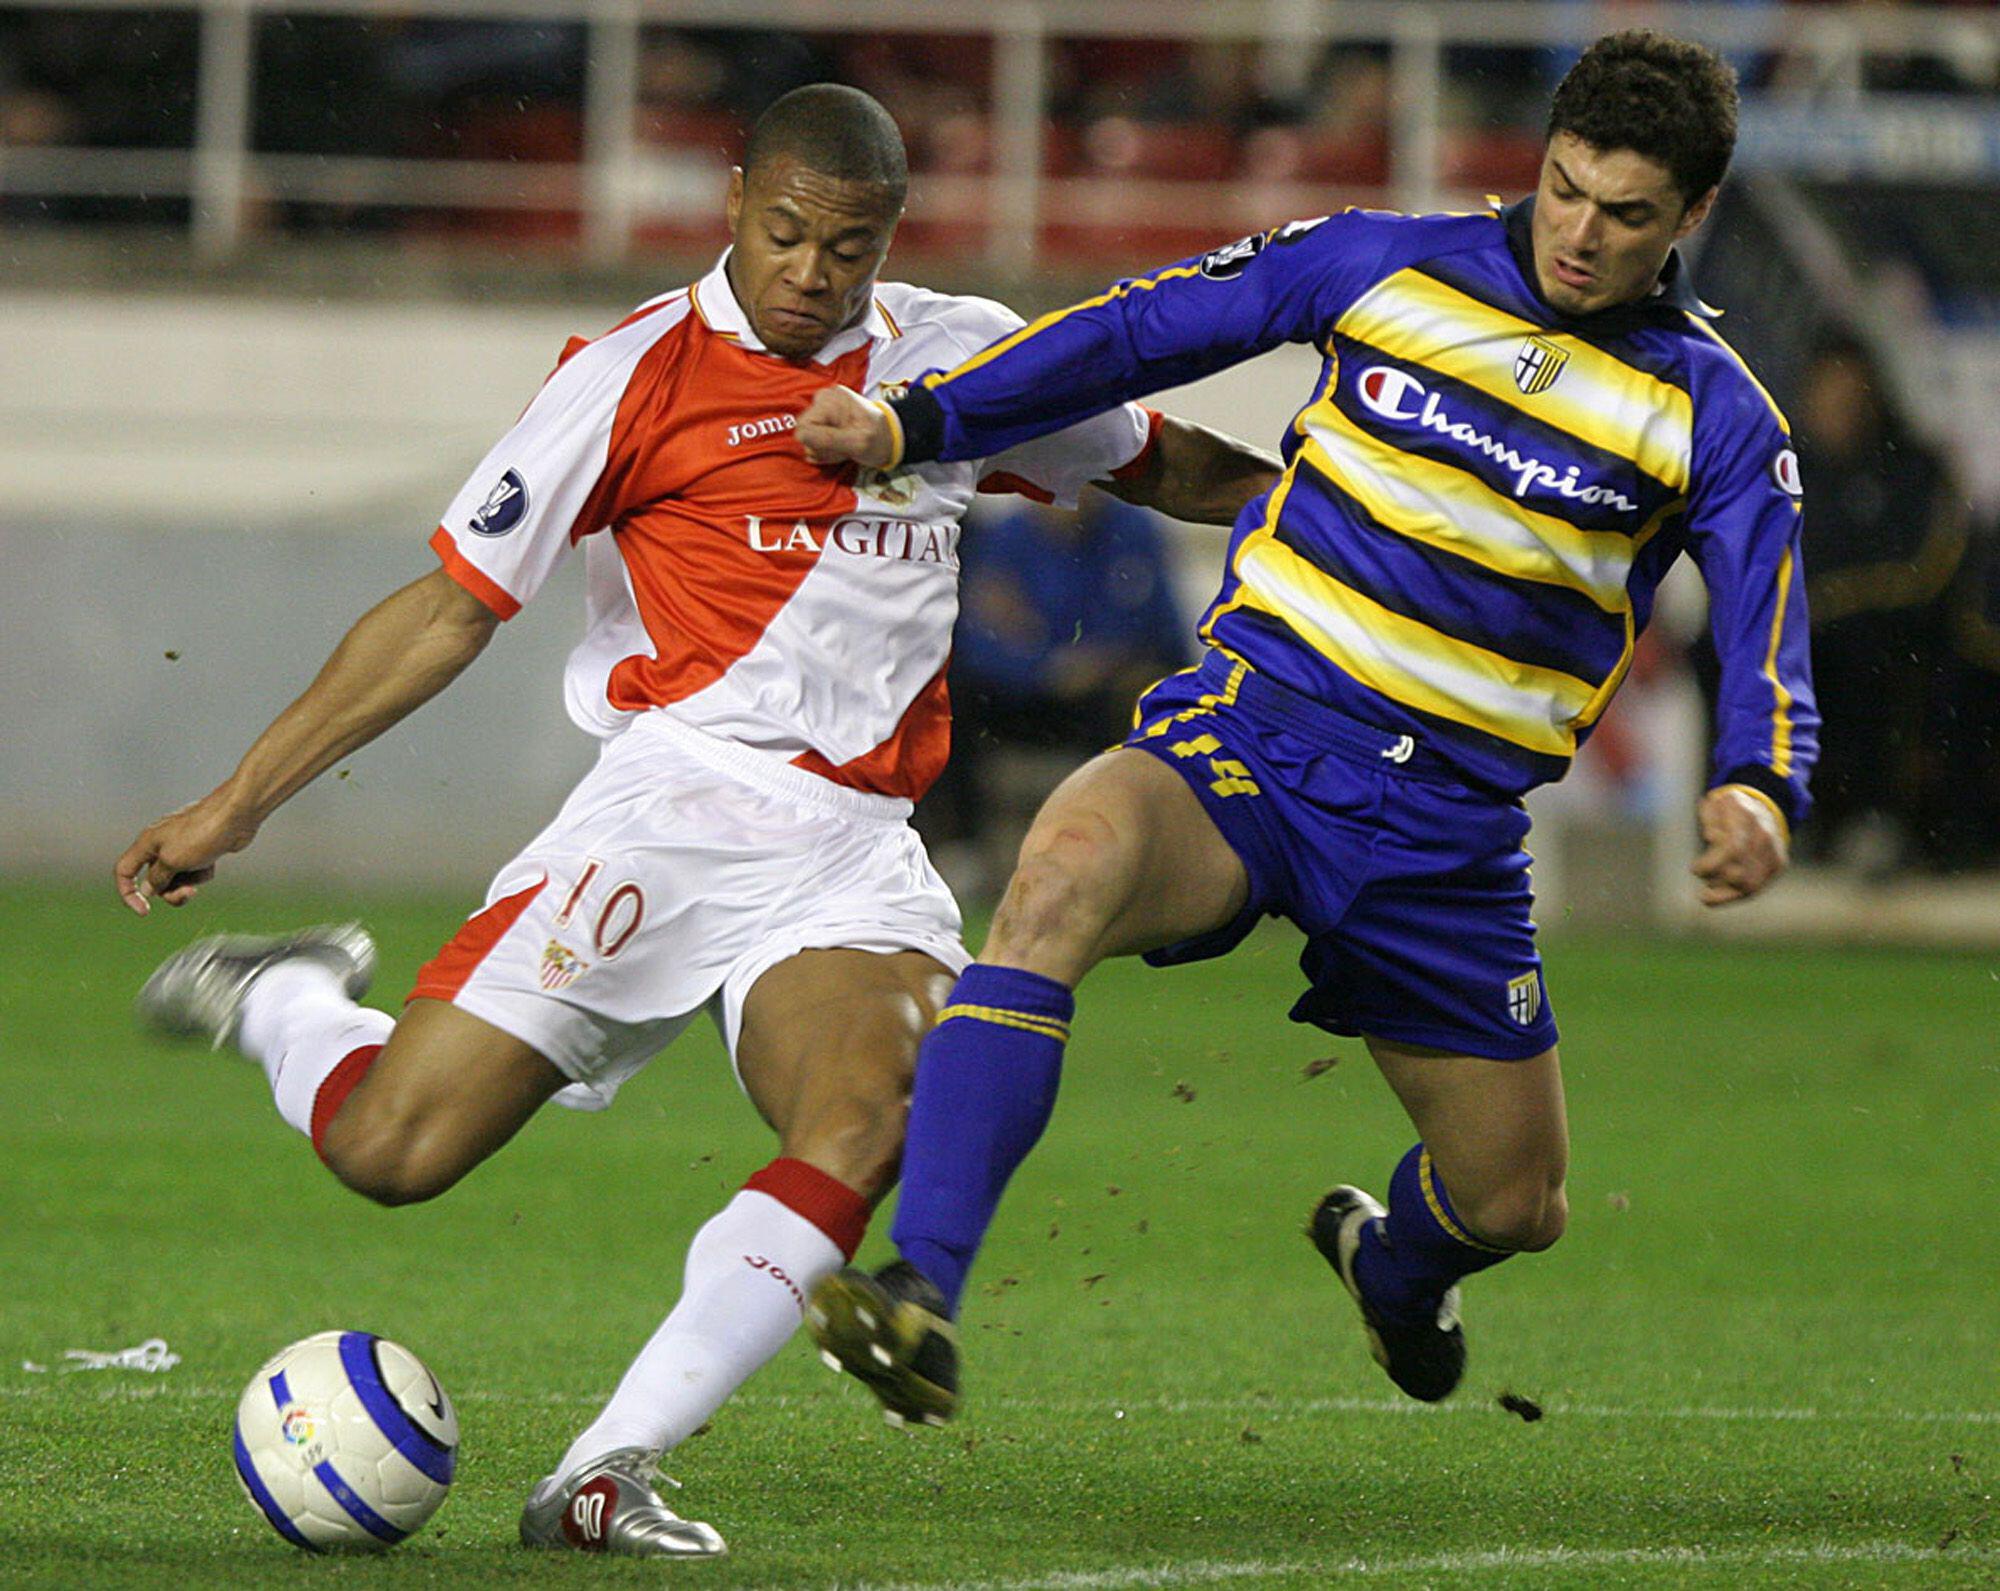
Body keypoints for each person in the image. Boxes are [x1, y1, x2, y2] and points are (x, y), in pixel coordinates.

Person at [114, 84, 1278, 1556]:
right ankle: (287, 996)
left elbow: (1152, 459)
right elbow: (446, 610)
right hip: (669, 814)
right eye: (787, 233)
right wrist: (237, 802)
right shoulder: (630, 375)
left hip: (853, 850)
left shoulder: (958, 355)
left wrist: (1317, 511)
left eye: (847, 248)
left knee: (869, 1114)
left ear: (888, 239)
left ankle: (605, 1476)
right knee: (392, 1151)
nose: (812, 271)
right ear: (733, 200)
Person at [795, 29, 1818, 1426]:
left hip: (1445, 838)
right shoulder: (1379, 259)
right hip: (1260, 734)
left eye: (1628, 213)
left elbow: (1769, 616)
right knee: (1063, 871)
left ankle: (1393, 1268)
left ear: (1693, 216)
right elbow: (1139, 331)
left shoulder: (1713, 411)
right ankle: (921, 1290)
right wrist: (923, 422)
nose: (1581, 232)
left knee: (1517, 1203)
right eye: (1566, 187)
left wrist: (1762, 784)